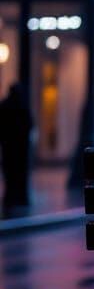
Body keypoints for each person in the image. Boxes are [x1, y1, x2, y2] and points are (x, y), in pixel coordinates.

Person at [0, 83, 34, 211]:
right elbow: (29, 124)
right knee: (20, 173)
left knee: (10, 174)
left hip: (9, 147)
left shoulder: (5, 105)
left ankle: (10, 198)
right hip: (20, 148)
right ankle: (20, 198)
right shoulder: (22, 106)